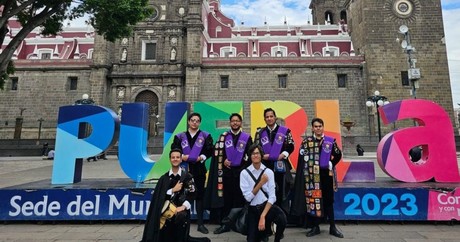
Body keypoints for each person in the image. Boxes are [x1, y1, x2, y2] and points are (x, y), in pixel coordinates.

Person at [291, 117, 344, 238]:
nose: (318, 128)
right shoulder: (307, 142)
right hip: (311, 177)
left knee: (329, 201)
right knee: (313, 201)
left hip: (326, 177)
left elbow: (338, 154)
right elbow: (302, 156)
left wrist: (332, 163)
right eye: (315, 126)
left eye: (320, 126)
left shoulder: (330, 141)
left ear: (323, 127)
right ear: (312, 128)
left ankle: (332, 227)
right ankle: (315, 227)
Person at [205, 113, 253, 234]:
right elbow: (217, 154)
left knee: (239, 200)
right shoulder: (223, 137)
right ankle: (225, 224)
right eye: (233, 121)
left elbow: (251, 155)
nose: (235, 123)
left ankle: (238, 223)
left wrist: (243, 165)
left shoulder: (246, 138)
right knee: (226, 200)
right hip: (226, 174)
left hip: (241, 175)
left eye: (237, 121)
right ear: (230, 123)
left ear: (241, 123)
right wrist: (223, 160)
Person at [140, 148, 202, 242]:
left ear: (181, 159)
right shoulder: (164, 178)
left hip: (181, 214)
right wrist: (173, 190)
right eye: (173, 157)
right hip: (166, 216)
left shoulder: (187, 177)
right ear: (170, 159)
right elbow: (159, 196)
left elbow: (193, 193)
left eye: (177, 157)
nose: (175, 159)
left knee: (181, 219)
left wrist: (183, 206)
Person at [171, 113, 214, 234]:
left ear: (199, 123)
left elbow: (210, 149)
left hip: (199, 170)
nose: (195, 123)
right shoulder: (180, 137)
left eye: (197, 121)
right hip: (184, 170)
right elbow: (174, 149)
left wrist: (202, 157)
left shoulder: (205, 136)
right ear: (189, 122)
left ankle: (200, 224)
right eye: (192, 120)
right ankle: (181, 222)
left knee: (199, 196)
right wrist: (181, 156)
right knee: (182, 196)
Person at [240, 144, 287, 242]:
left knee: (282, 218)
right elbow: (248, 198)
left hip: (266, 207)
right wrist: (261, 183)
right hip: (252, 209)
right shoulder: (244, 173)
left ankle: (276, 238)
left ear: (261, 155)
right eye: (253, 154)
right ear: (250, 156)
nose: (255, 156)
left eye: (257, 153)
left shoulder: (268, 172)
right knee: (252, 239)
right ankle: (263, 233)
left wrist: (263, 216)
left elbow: (272, 197)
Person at [254, 108, 294, 212]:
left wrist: (283, 154)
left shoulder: (285, 131)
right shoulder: (260, 132)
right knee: (267, 190)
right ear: (264, 119)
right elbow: (256, 147)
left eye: (271, 116)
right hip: (265, 165)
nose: (269, 118)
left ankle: (281, 214)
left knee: (281, 190)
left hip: (281, 165)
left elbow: (291, 145)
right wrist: (262, 156)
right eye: (267, 117)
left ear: (275, 117)